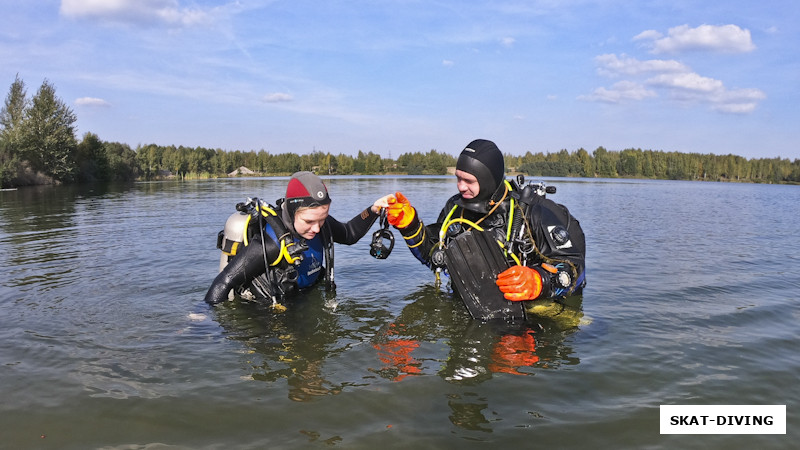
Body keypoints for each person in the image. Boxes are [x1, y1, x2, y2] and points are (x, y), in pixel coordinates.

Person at [385, 139, 586, 320]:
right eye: (458, 178)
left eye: (469, 181)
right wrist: (410, 225)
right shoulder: (455, 209)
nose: (461, 187)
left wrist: (539, 281)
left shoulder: (534, 212)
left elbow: (575, 270)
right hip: (473, 308)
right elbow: (435, 257)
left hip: (533, 315)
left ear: (488, 179)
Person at [205, 171, 393, 305]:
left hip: (305, 297)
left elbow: (349, 234)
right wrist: (204, 319)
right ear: (293, 212)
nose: (317, 229)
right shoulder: (271, 243)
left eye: (322, 219)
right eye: (309, 221)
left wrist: (374, 210)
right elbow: (224, 280)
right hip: (268, 313)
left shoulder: (321, 224)